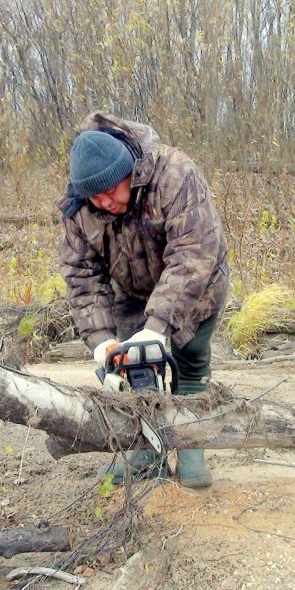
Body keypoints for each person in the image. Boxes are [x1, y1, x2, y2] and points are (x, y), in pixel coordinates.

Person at [58, 111, 229, 488]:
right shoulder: (79, 207)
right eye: (94, 196)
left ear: (129, 172)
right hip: (131, 293)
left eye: (111, 191)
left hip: (196, 288)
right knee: (135, 370)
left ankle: (191, 448)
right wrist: (101, 342)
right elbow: (82, 275)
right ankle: (147, 451)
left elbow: (193, 256)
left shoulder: (175, 175)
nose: (104, 202)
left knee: (191, 362)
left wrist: (158, 328)